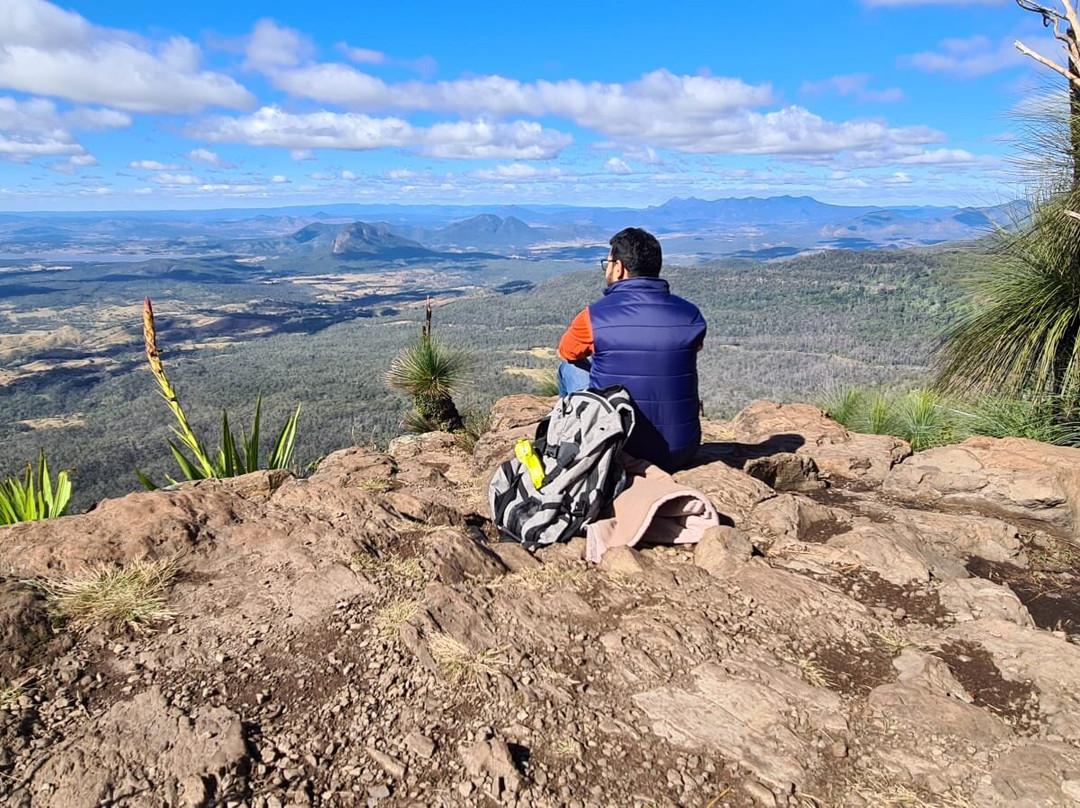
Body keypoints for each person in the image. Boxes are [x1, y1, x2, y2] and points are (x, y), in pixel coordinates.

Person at [556, 227, 706, 471]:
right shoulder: (690, 315)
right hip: (682, 451)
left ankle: (571, 435)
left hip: (617, 449)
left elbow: (567, 351)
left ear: (619, 267)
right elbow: (692, 349)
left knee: (568, 368)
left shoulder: (593, 317)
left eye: (608, 262)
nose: (607, 268)